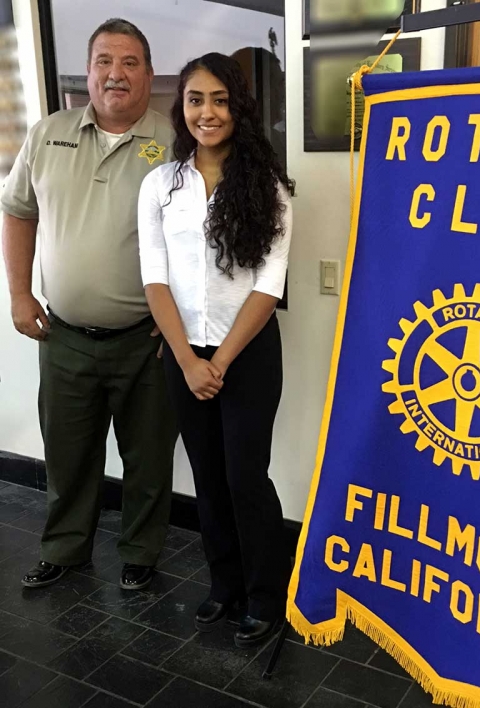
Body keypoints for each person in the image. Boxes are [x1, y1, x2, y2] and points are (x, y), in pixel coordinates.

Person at [1, 18, 178, 591]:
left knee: (147, 458)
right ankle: (65, 548)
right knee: (68, 454)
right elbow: (19, 212)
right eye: (104, 61)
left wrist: (182, 320)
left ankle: (140, 552)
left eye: (130, 62)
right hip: (64, 335)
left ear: (149, 74)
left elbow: (201, 239)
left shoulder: (173, 142)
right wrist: (21, 293)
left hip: (144, 338)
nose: (115, 74)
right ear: (89, 70)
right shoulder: (46, 134)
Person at [138, 52, 293, 647]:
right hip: (183, 353)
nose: (208, 112)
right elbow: (154, 278)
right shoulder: (161, 184)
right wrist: (187, 360)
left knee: (245, 474)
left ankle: (263, 593)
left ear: (240, 108)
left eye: (221, 100)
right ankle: (223, 585)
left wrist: (220, 362)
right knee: (207, 475)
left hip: (247, 354)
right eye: (196, 100)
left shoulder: (268, 187)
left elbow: (268, 285)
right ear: (181, 108)